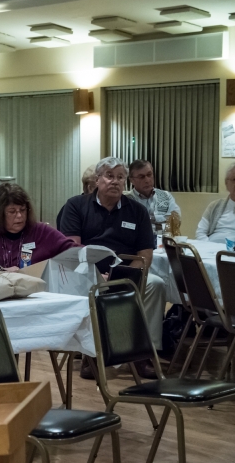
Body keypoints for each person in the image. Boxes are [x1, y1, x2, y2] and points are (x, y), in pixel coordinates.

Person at [60, 156, 166, 379]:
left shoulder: (136, 211)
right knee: (98, 287)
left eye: (120, 177)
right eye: (109, 176)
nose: (115, 182)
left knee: (156, 285)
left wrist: (125, 274)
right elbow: (72, 248)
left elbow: (145, 254)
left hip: (124, 272)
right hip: (86, 272)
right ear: (97, 180)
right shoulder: (76, 206)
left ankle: (143, 353)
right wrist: (99, 274)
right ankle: (94, 354)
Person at [0, 183, 78, 269]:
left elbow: (73, 250)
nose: (19, 216)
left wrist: (90, 252)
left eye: (22, 210)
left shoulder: (42, 231)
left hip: (36, 295)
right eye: (12, 212)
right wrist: (0, 272)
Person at [196, 163, 235, 243]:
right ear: (226, 183)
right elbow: (200, 232)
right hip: (211, 249)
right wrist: (209, 247)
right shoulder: (214, 205)